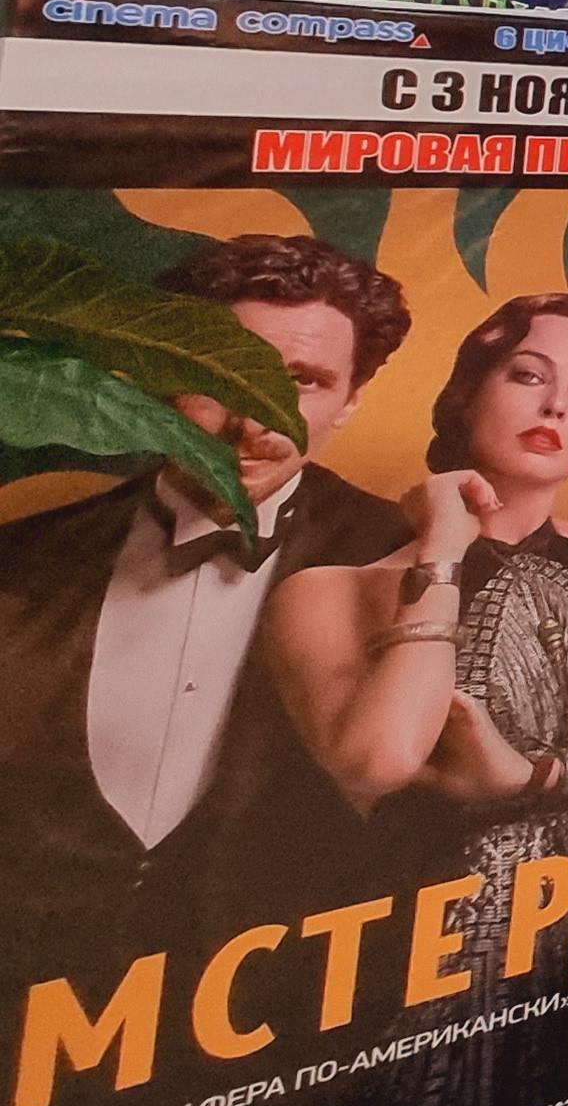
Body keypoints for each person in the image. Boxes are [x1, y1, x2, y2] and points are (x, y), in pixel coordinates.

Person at [262, 294, 568, 980]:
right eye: (528, 376)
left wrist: (531, 775)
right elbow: (378, 762)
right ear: (468, 393)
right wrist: (442, 552)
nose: (556, 407)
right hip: (442, 935)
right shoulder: (326, 592)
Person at [0, 234, 416, 987]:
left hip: (300, 995)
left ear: (351, 401)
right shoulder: (22, 558)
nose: (254, 424)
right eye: (222, 376)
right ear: (157, 379)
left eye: (304, 382)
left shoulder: (416, 559)